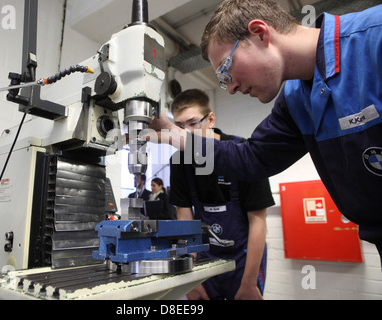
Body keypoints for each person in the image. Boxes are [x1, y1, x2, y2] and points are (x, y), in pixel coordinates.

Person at [148, 1, 382, 265]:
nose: (232, 87)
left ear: (260, 33)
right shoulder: (297, 100)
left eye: (226, 70)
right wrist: (174, 136)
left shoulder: (374, 39)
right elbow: (252, 159)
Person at [169, 89, 274, 300]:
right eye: (179, 126)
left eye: (193, 123)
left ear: (211, 119)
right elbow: (184, 216)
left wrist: (249, 282)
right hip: (205, 258)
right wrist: (191, 280)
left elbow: (258, 222)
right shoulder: (179, 161)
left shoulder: (244, 152)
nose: (186, 132)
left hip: (245, 261)